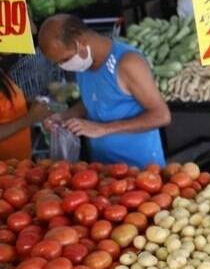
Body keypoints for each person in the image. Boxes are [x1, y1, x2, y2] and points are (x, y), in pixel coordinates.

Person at [38, 15, 171, 168]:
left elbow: (161, 115)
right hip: (102, 168)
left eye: (64, 59)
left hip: (140, 168)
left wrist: (103, 129)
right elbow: (95, 100)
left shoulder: (127, 63)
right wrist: (64, 116)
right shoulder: (82, 65)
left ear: (80, 42)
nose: (62, 65)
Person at [0, 56, 51, 160]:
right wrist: (29, 119)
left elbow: (8, 105)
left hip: (18, 162)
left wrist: (32, 106)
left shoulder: (3, 75)